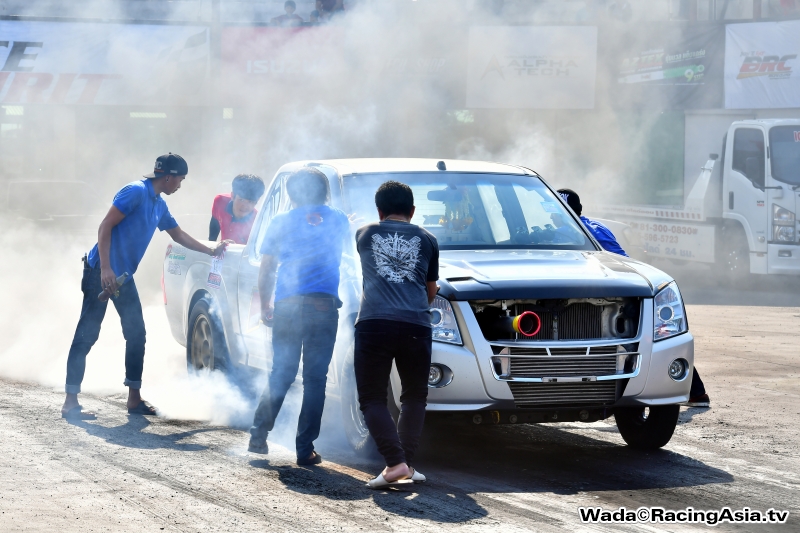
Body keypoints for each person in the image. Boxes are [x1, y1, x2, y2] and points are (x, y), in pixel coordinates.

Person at [62, 153, 228, 420]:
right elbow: (105, 226)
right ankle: (70, 402)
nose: (180, 186)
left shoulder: (158, 205)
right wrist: (105, 267)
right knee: (87, 334)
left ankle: (134, 398)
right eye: (180, 180)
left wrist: (211, 250)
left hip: (123, 279)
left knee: (137, 333)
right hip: (99, 273)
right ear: (169, 176)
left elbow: (179, 234)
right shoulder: (135, 192)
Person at [558, 188, 711, 409]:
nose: (552, 216)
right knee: (657, 341)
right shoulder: (597, 225)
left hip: (616, 293)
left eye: (555, 212)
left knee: (641, 343)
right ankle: (696, 393)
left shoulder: (570, 230)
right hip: (631, 284)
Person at [248, 168, 350, 465]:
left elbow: (267, 267)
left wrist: (266, 303)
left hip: (288, 305)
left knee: (282, 372)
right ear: (325, 191)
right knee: (315, 380)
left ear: (292, 194)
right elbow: (341, 248)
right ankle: (305, 450)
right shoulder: (339, 219)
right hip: (323, 306)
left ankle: (258, 435)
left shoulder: (281, 222)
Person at [354, 181, 439, 489]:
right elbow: (430, 291)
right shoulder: (428, 239)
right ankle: (406, 464)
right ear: (413, 210)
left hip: (374, 323)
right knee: (415, 396)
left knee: (372, 397)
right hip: (416, 324)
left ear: (379, 210)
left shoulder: (363, 234)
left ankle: (395, 463)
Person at [557, 188, 629, 257]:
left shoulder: (562, 233)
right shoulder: (600, 226)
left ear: (563, 212)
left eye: (553, 209)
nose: (551, 216)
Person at [209, 174, 265, 245]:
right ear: (232, 196)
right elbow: (215, 222)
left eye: (250, 202)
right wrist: (211, 245)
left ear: (257, 201)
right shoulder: (220, 201)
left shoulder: (258, 222)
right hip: (223, 252)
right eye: (241, 200)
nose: (245, 206)